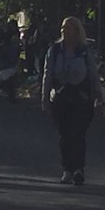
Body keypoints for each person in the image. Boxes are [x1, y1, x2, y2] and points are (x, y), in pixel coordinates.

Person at [41, 16, 98, 185]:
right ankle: (67, 169)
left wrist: (99, 93)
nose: (65, 31)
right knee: (65, 134)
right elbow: (48, 74)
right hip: (60, 97)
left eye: (69, 28)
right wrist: (44, 97)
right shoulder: (55, 51)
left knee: (78, 134)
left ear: (77, 30)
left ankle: (79, 169)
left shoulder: (84, 50)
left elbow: (92, 73)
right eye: (63, 28)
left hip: (81, 97)